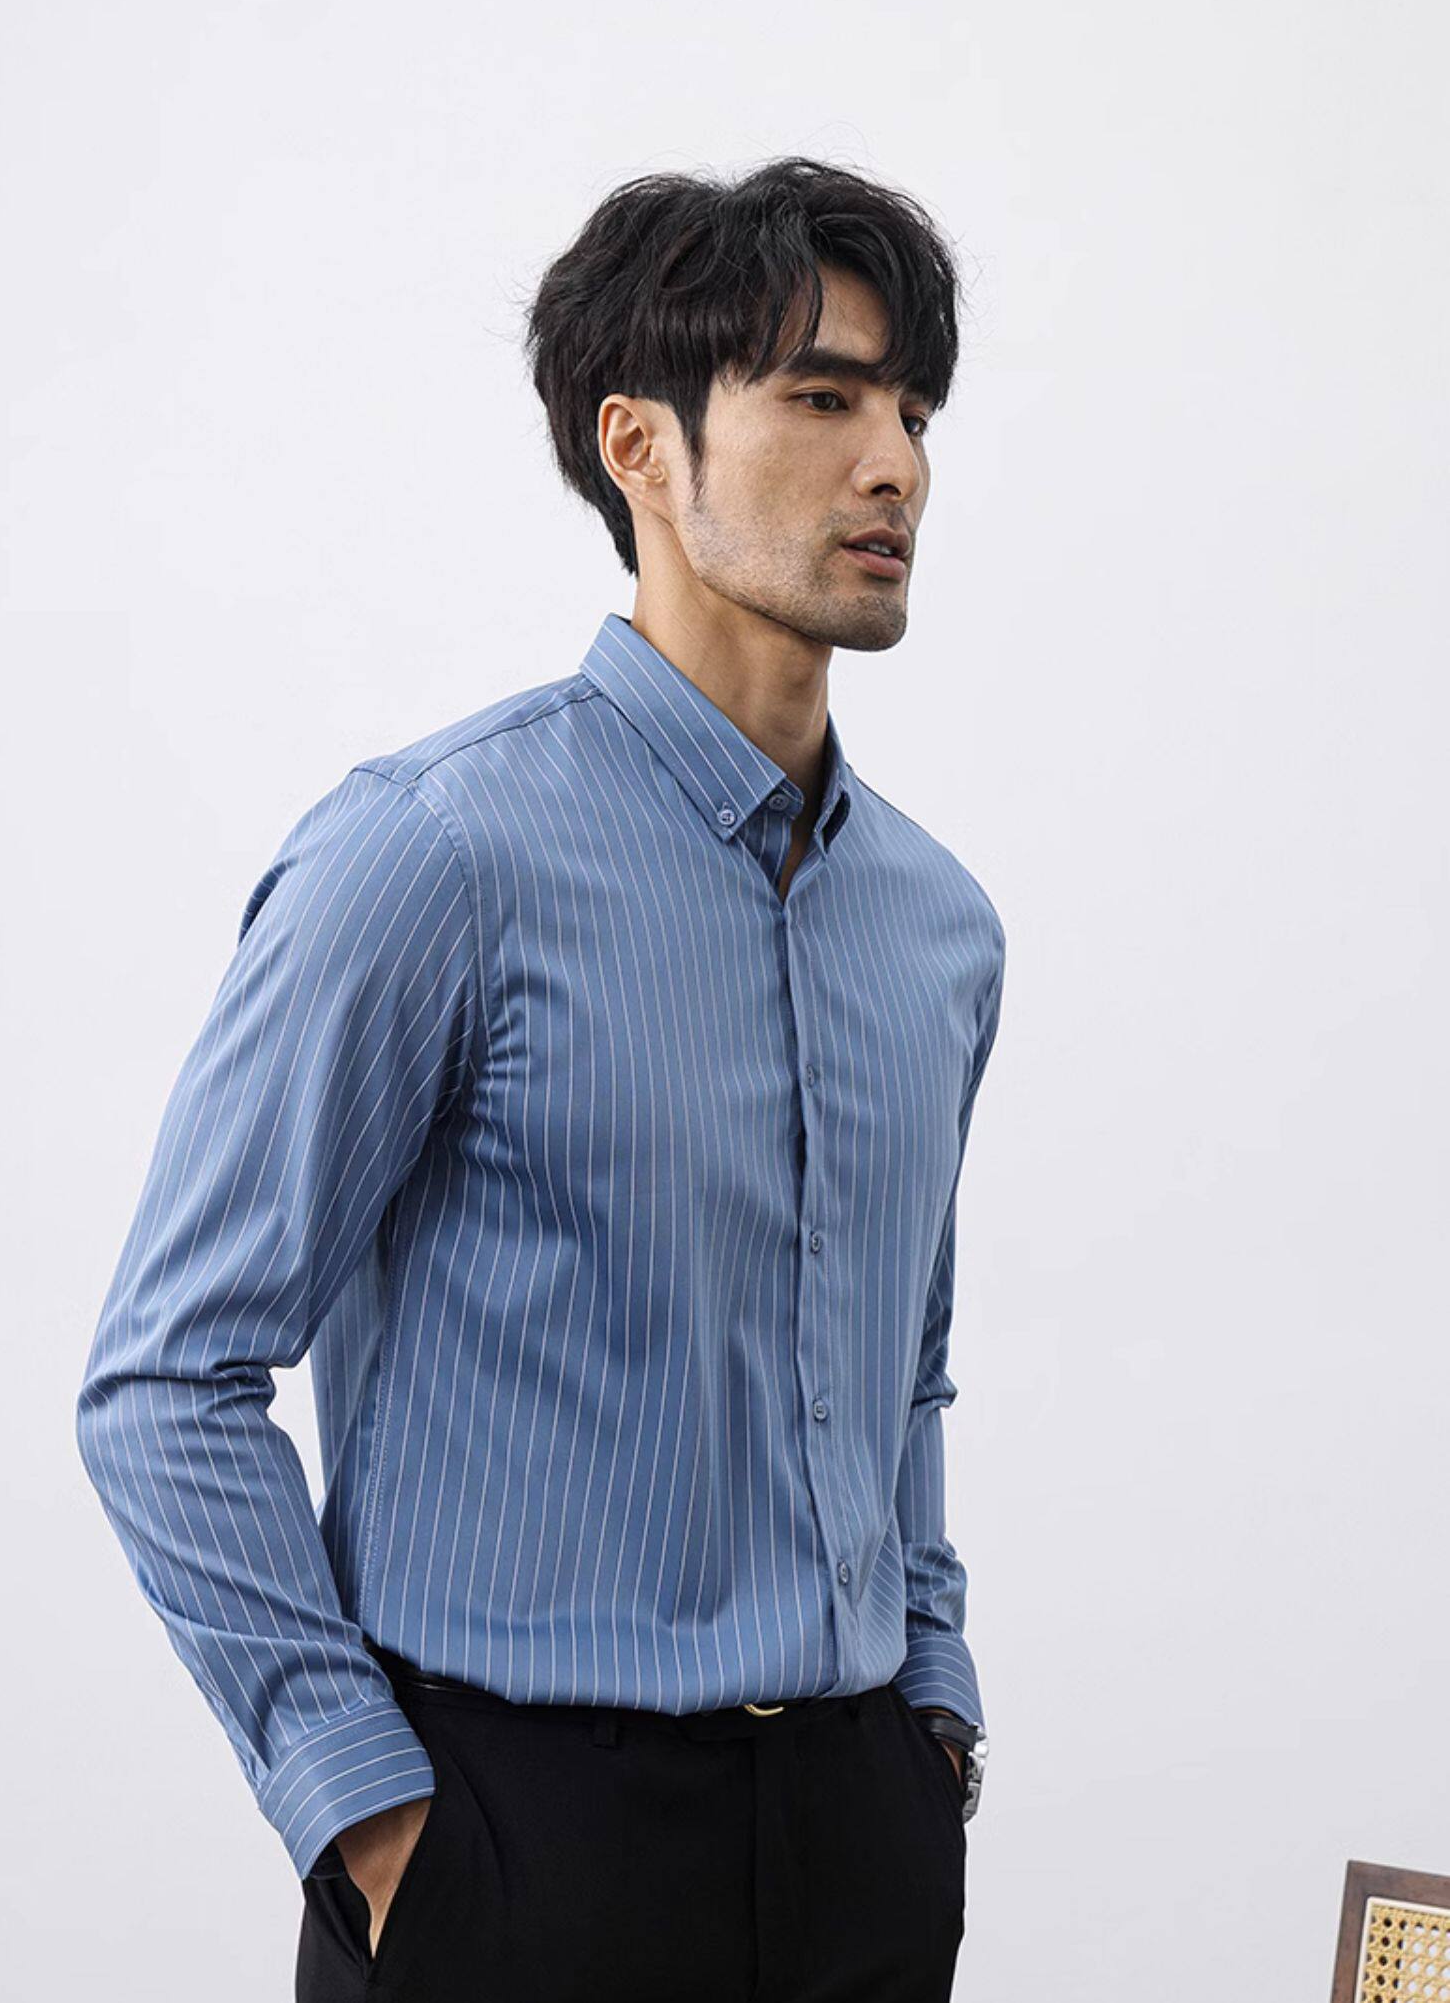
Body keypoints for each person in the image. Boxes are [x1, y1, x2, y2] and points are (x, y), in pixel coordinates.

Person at [75, 155, 1005, 2002]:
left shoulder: (939, 926)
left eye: (912, 410)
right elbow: (167, 1378)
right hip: (517, 1853)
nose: (894, 463)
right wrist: (374, 1821)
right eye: (824, 398)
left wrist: (933, 1711)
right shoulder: (432, 856)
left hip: (861, 1839)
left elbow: (902, 1363)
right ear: (637, 445)